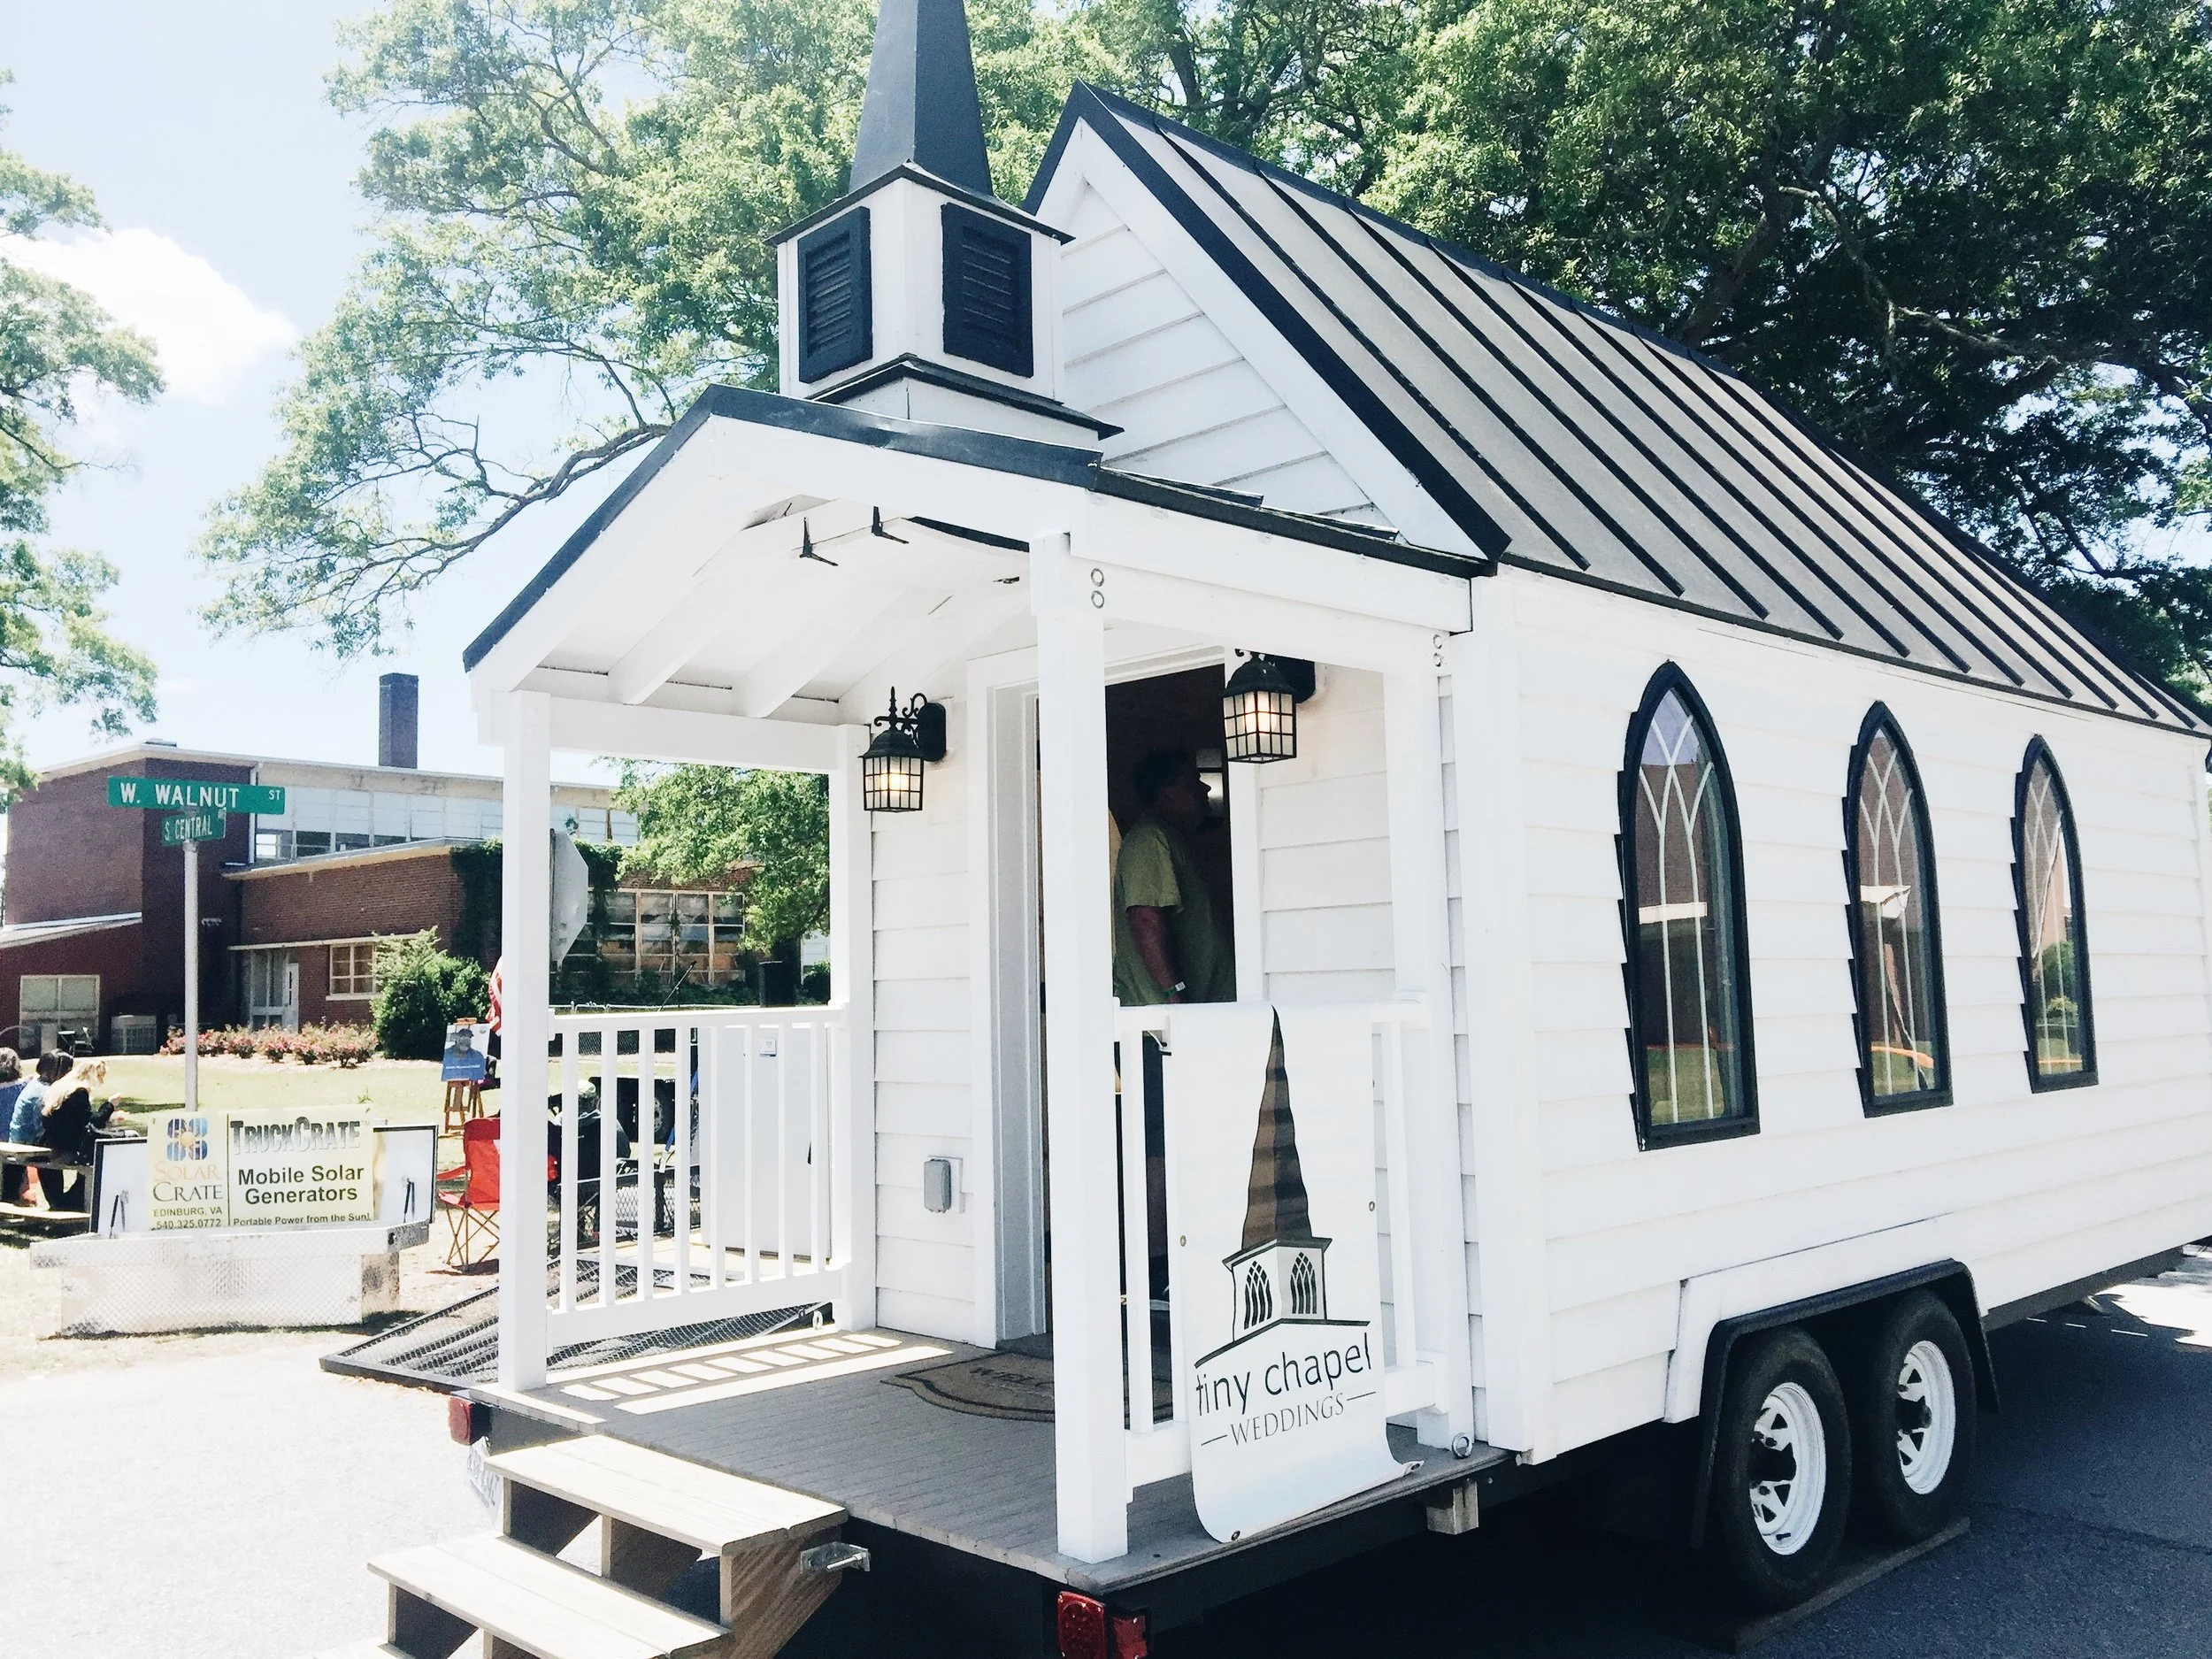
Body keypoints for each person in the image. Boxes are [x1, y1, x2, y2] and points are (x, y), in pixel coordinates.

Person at [1112, 748, 1235, 1007]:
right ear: (1167, 793)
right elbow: (1145, 917)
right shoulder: (1149, 840)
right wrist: (1175, 994)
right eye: (1193, 781)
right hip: (1164, 1021)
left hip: (1200, 1014)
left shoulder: (1170, 839)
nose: (1205, 789)